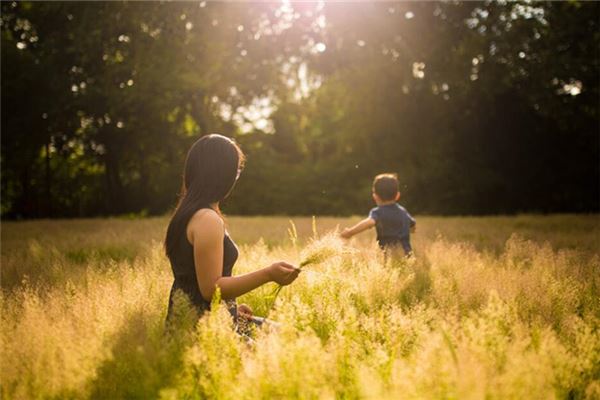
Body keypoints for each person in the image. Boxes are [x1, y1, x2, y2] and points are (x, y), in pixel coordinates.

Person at [164, 134, 300, 331]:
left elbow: (194, 282)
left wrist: (233, 309)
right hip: (202, 333)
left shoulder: (188, 213)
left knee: (285, 334)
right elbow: (210, 289)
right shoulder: (207, 219)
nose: (236, 178)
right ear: (222, 174)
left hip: (199, 323)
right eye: (236, 171)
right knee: (289, 339)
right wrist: (268, 274)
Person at [340, 173, 416, 257]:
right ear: (397, 195)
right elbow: (412, 224)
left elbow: (370, 222)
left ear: (375, 196)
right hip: (407, 255)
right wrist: (411, 230)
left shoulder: (377, 212)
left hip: (389, 256)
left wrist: (350, 232)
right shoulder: (403, 211)